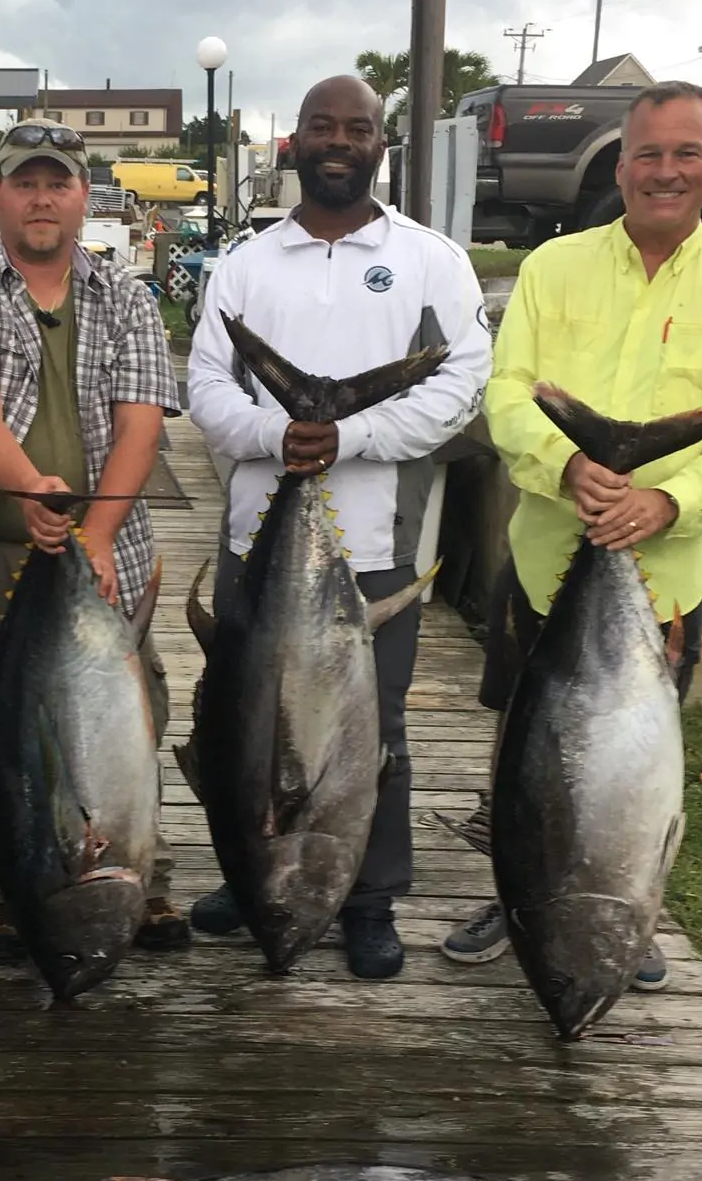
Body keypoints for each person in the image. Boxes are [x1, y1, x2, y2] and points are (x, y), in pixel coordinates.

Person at [439, 81, 702, 982]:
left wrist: (669, 501)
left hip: (668, 568)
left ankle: (624, 893)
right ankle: (517, 886)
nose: (664, 171)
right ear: (622, 161)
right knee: (525, 735)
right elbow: (506, 390)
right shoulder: (554, 269)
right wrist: (566, 469)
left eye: (685, 153)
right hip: (551, 550)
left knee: (634, 747)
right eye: (648, 153)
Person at [184, 74, 493, 980]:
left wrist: (347, 434)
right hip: (258, 542)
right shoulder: (246, 263)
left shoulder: (432, 259)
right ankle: (254, 878)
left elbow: (460, 383)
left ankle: (367, 894)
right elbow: (207, 387)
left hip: (378, 548)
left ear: (379, 147)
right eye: (321, 125)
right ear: (296, 143)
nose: (337, 140)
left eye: (356, 128)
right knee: (243, 723)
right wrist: (280, 432)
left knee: (374, 729)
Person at [0, 118, 183, 963]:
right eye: (25, 181)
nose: (42, 196)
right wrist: (29, 487)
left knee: (131, 722)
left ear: (83, 195)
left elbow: (141, 425)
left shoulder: (126, 293)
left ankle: (144, 876)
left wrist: (93, 532)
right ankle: (3, 892)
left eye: (57, 181)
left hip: (103, 540)